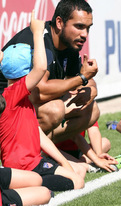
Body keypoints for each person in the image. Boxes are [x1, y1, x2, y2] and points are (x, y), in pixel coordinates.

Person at [0, 11, 84, 192]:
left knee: (79, 172)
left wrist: (64, 162)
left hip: (35, 162)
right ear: (24, 72)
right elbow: (40, 68)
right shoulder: (13, 93)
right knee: (76, 182)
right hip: (23, 167)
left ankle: (30, 182)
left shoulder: (20, 97)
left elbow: (39, 136)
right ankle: (27, 184)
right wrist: (38, 32)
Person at [0, 0, 99, 144]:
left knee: (92, 110)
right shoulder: (39, 40)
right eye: (79, 27)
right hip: (4, 110)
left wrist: (91, 89)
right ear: (59, 23)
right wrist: (82, 78)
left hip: (24, 110)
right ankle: (22, 154)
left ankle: (39, 154)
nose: (84, 34)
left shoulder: (69, 43)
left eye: (88, 28)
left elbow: (80, 80)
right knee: (54, 110)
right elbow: (40, 93)